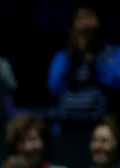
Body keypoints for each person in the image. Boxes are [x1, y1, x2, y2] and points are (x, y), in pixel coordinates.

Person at [47, 4, 120, 132]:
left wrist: (95, 62)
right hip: (67, 123)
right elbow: (54, 88)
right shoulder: (63, 55)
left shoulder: (113, 53)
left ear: (99, 20)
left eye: (89, 16)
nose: (85, 24)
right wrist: (71, 56)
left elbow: (116, 82)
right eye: (80, 18)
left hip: (102, 123)